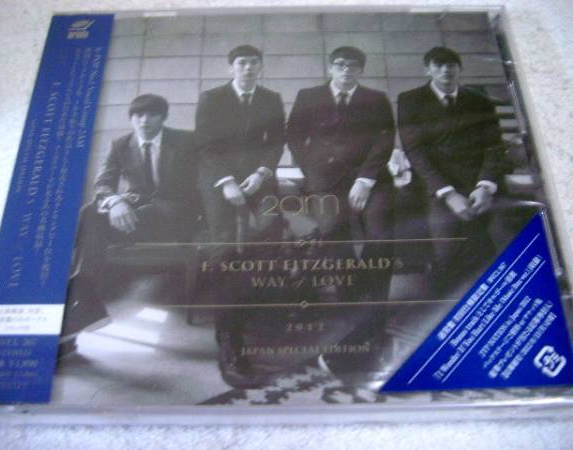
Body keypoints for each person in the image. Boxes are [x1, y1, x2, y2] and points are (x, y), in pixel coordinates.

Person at [287, 46, 396, 389]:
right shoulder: (309, 96)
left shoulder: (376, 99)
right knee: (333, 233)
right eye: (340, 64)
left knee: (381, 237)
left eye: (353, 66)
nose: (346, 70)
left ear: (361, 70)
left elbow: (384, 140)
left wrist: (366, 179)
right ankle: (351, 303)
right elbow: (294, 135)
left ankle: (374, 314)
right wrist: (312, 170)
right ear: (330, 68)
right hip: (324, 182)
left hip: (369, 179)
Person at [61, 93, 197, 356]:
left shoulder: (186, 141)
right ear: (131, 118)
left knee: (92, 230)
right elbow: (103, 182)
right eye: (138, 115)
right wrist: (115, 202)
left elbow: (203, 180)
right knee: (91, 213)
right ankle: (85, 303)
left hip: (176, 215)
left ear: (164, 117)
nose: (144, 121)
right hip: (135, 214)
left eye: (152, 114)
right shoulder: (121, 144)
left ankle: (82, 305)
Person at [194, 45, 285, 388]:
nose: (248, 68)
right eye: (242, 63)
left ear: (261, 67)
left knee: (269, 242)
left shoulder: (271, 98)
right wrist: (227, 181)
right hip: (219, 181)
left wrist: (261, 173)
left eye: (254, 63)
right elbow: (205, 145)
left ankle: (256, 320)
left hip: (259, 180)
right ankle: (229, 341)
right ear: (231, 67)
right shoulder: (212, 98)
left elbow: (277, 141)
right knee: (226, 251)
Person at [397, 46, 508, 296]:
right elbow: (415, 151)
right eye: (438, 65)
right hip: (436, 184)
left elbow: (494, 146)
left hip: (478, 182)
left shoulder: (479, 100)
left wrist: (485, 186)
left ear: (460, 69)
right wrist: (448, 194)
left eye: (451, 65)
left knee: (496, 247)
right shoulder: (410, 100)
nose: (446, 70)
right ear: (427, 70)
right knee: (447, 252)